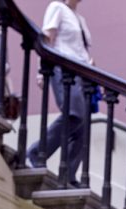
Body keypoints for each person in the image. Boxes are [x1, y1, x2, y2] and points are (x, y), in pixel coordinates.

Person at [26, 0, 92, 186]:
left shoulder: (80, 19)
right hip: (62, 69)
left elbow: (79, 49)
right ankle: (36, 153)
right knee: (73, 115)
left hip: (81, 74)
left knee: (83, 126)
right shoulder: (56, 7)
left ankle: (69, 175)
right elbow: (47, 39)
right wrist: (41, 70)